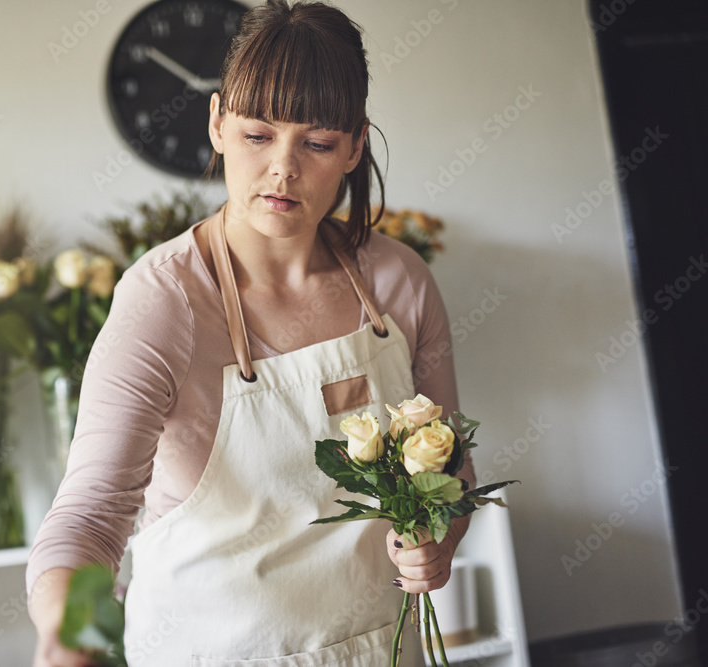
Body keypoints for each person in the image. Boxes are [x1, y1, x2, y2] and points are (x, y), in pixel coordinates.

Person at [28, 1, 475, 664]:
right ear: (216, 124)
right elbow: (91, 519)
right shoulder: (164, 301)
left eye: (317, 143)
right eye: (258, 135)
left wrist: (440, 539)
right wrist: (72, 639)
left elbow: (453, 474)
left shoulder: (398, 283)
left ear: (354, 145)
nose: (282, 168)